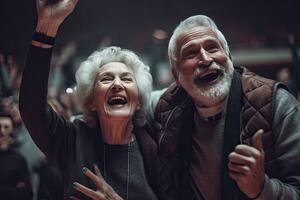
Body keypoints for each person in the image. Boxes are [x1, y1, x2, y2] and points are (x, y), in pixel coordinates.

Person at [19, 0, 159, 199]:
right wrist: (46, 27)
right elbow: (31, 108)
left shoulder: (157, 147)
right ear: (91, 100)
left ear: (138, 101)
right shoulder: (70, 139)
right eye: (106, 79)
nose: (117, 84)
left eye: (127, 79)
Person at [154, 15, 300, 200]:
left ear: (229, 57)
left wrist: (263, 189)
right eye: (191, 53)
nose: (206, 59)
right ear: (176, 75)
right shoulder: (168, 109)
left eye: (212, 47)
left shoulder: (276, 102)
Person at [0, 110, 33, 200]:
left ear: (12, 131)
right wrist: (13, 189)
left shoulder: (19, 160)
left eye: (6, 127)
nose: (2, 131)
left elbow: (27, 194)